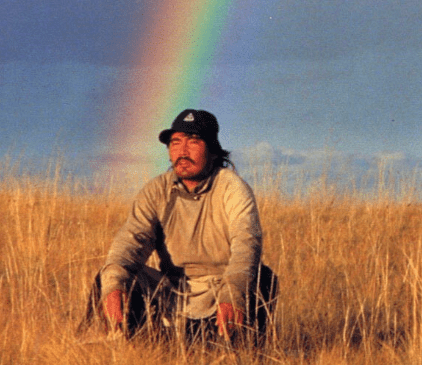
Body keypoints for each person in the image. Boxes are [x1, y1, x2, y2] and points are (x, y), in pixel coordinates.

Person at [81, 109, 277, 345]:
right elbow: (130, 242)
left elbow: (247, 245)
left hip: (220, 292)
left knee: (262, 278)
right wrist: (113, 285)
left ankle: (244, 351)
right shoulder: (156, 190)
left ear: (213, 150)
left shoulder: (232, 188)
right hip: (172, 293)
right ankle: (115, 344)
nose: (182, 152)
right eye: (175, 143)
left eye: (193, 142)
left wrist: (232, 293)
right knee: (112, 275)